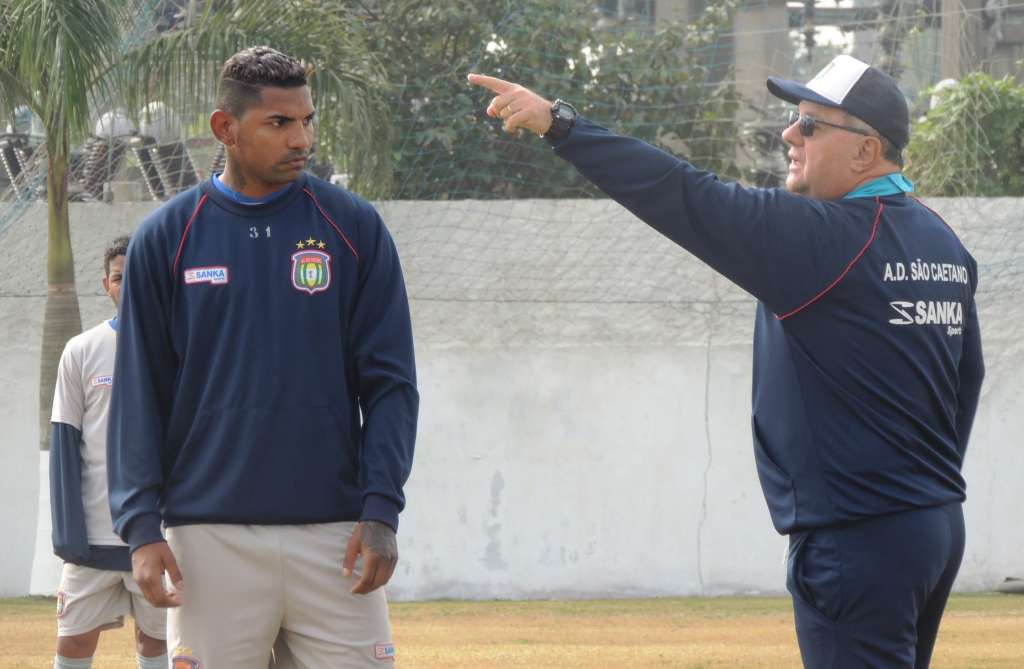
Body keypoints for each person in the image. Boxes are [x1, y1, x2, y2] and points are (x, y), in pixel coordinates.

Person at [468, 54, 984, 669]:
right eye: (794, 119)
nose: (789, 135)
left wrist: (563, 124)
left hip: (858, 536)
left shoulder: (824, 237)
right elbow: (967, 378)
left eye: (811, 125)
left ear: (866, 151)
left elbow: (683, 194)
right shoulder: (941, 241)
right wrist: (918, 488)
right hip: (931, 525)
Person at [108, 46, 418, 668]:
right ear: (227, 128)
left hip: (337, 534)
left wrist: (382, 506)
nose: (300, 138)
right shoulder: (166, 237)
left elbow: (390, 384)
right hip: (207, 536)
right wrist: (140, 526)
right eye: (279, 123)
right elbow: (140, 389)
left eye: (306, 120)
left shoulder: (354, 228)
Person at [49, 234, 167, 669]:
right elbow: (64, 443)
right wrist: (68, 534)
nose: (128, 286)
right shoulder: (81, 351)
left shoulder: (175, 348)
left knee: (156, 643)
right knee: (73, 644)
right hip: (93, 541)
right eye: (119, 278)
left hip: (157, 537)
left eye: (137, 277)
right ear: (106, 285)